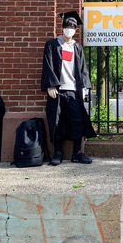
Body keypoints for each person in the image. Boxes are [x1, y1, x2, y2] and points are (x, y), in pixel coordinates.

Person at [41, 10, 97, 165]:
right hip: (57, 92)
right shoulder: (52, 45)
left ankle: (77, 153)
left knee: (77, 121)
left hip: (73, 91)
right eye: (67, 26)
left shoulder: (77, 48)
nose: (69, 29)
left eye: (72, 27)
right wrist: (50, 86)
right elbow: (48, 66)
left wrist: (84, 87)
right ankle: (57, 153)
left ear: (76, 30)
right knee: (57, 122)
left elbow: (82, 69)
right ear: (62, 27)